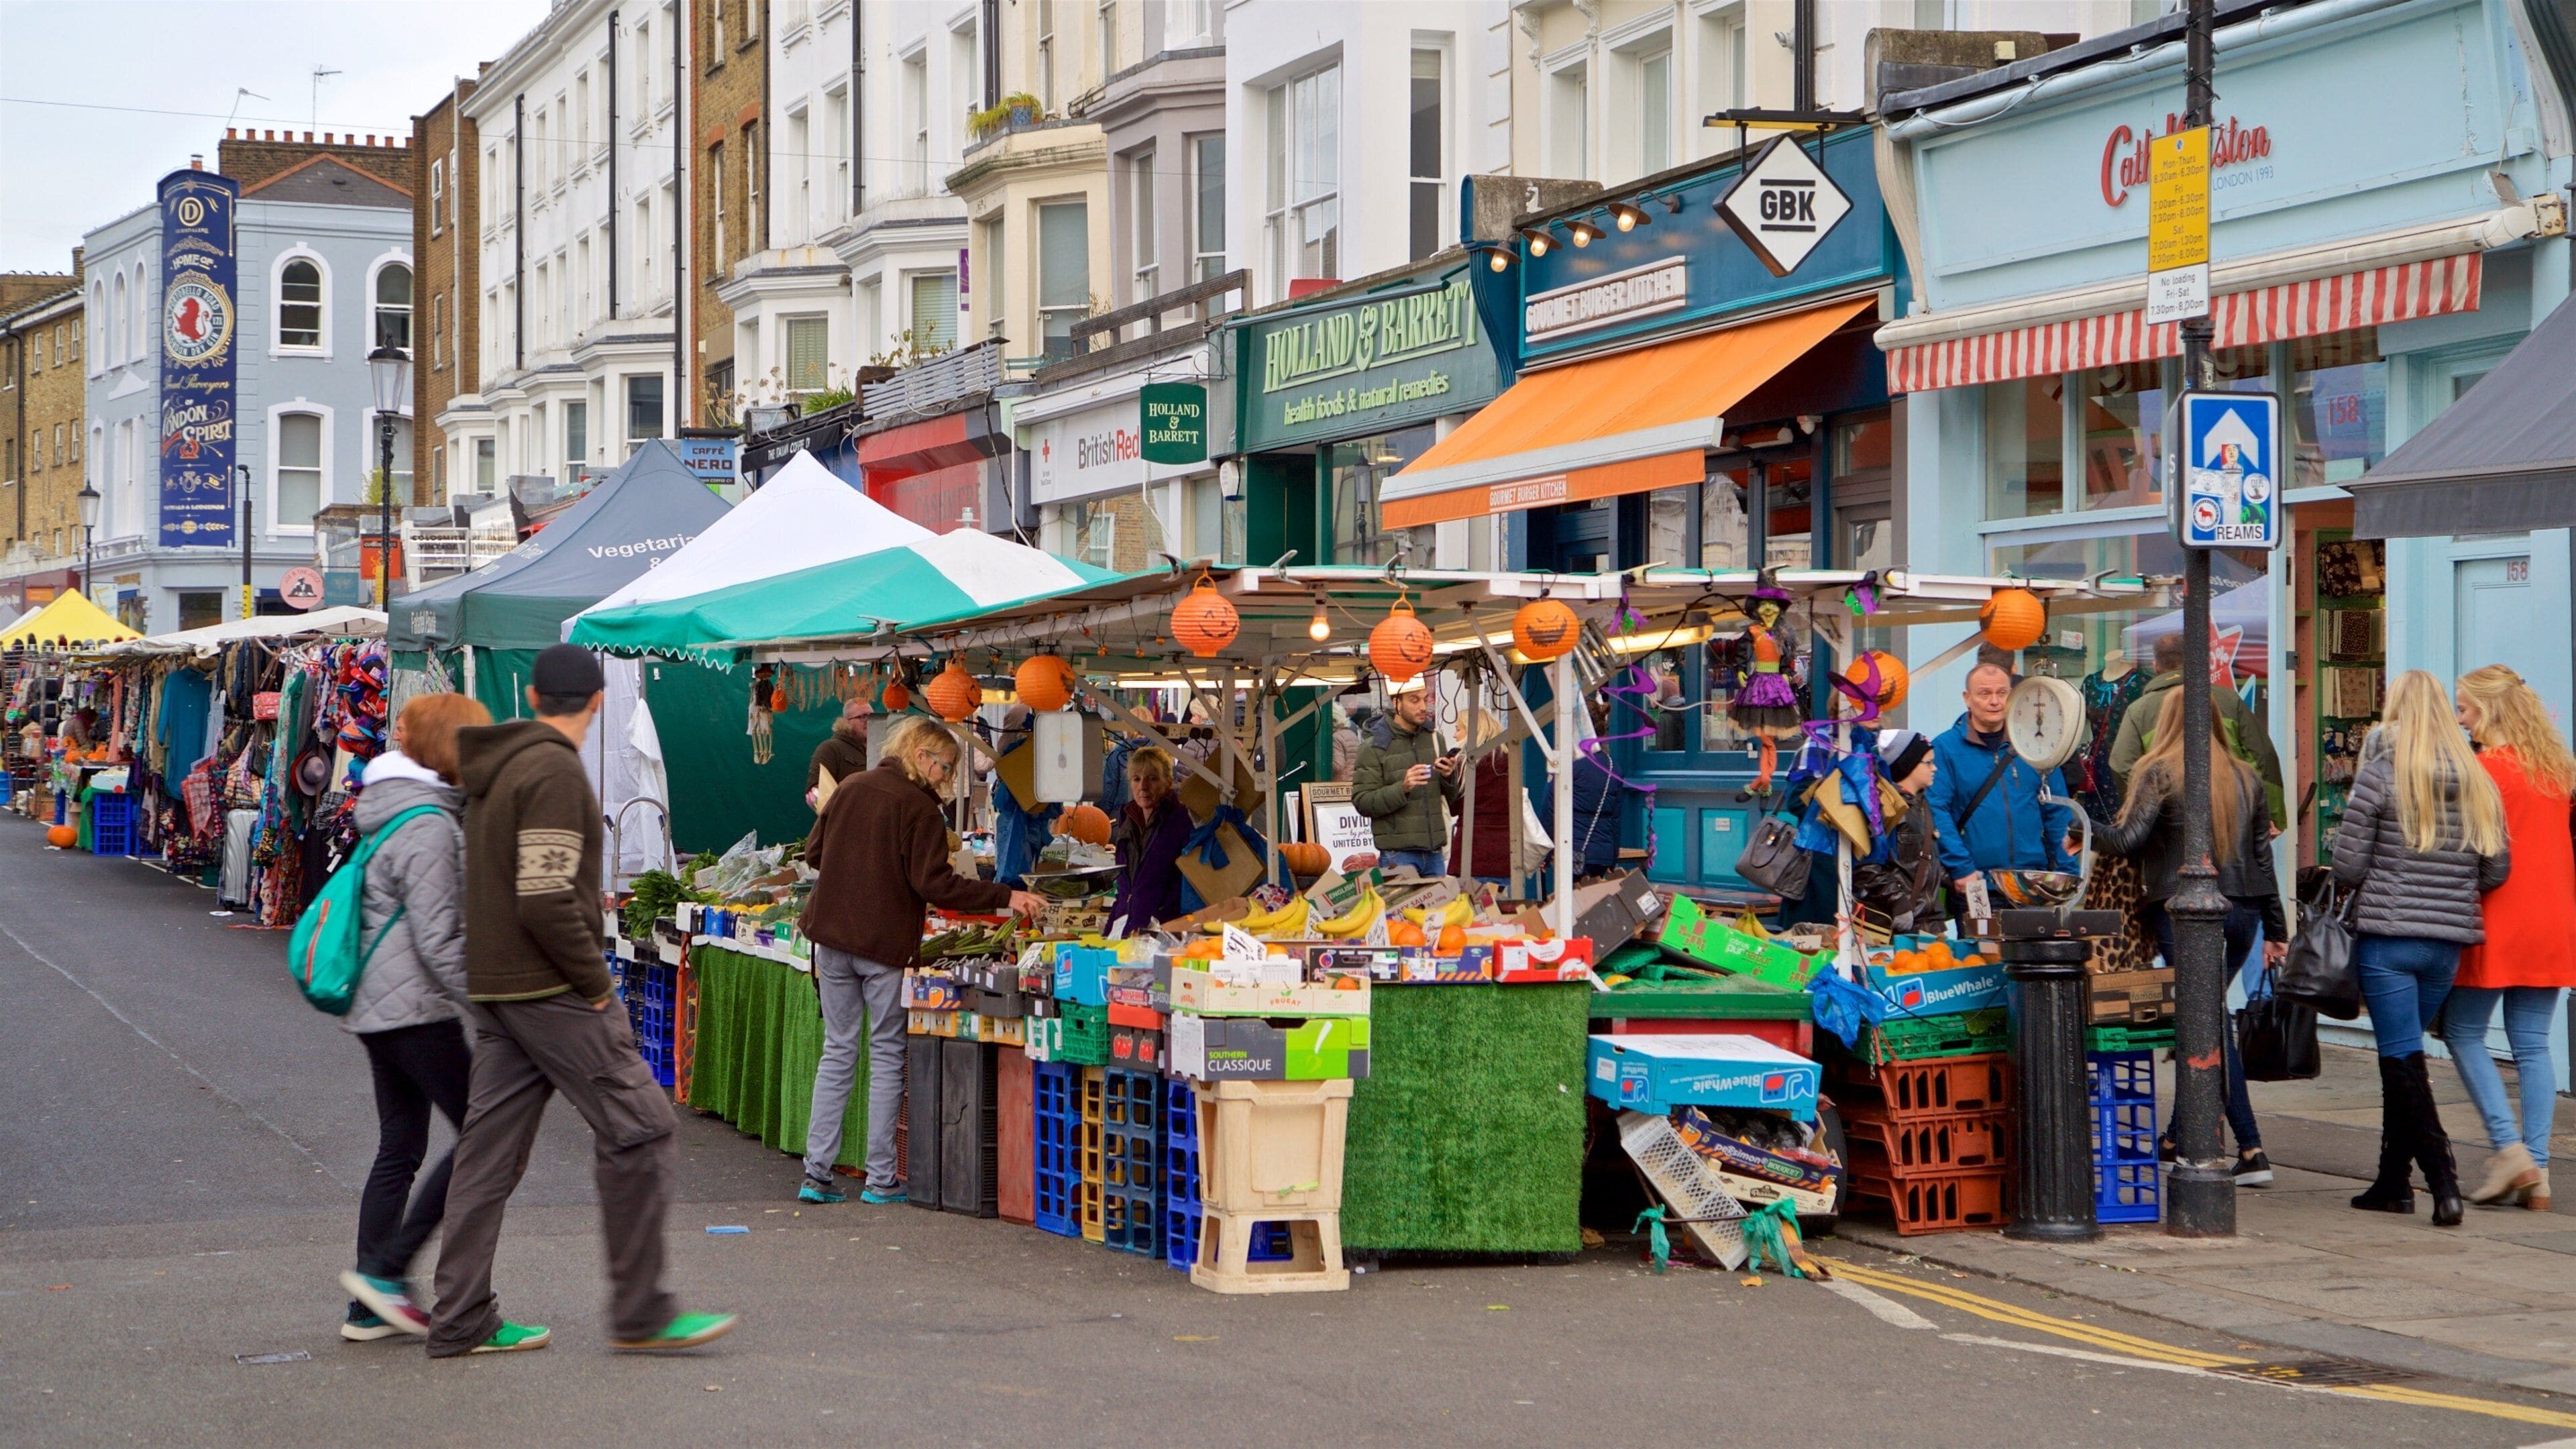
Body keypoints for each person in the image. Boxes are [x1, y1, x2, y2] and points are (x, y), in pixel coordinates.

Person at [427, 645, 737, 1356]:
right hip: (551, 988)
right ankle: (643, 1311)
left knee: (488, 1156)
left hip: (499, 988)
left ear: (534, 698)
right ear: (597, 704)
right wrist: (597, 987)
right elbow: (543, 898)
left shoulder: (496, 770)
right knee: (642, 1126)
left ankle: (461, 1317)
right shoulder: (553, 772)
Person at [796, 714, 1042, 1205]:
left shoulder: (849, 788)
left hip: (831, 939)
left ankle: (816, 1174)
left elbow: (814, 853)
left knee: (838, 1051)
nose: (946, 777)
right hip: (883, 946)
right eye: (944, 766)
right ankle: (881, 1180)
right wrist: (1005, 896)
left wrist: (859, 864)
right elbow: (935, 885)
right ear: (920, 755)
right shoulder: (921, 811)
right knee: (886, 1053)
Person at [2332, 669, 2512, 1227]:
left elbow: (2348, 866)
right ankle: (2392, 1183)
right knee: (2400, 1061)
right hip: (2447, 945)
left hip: (2389, 941)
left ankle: (2444, 1183)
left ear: (2397, 714)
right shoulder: (2479, 780)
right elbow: (2497, 868)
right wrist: (2450, 890)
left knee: (2403, 1062)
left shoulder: (2381, 775)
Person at [335, 692, 487, 1342]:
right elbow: (438, 939)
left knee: (400, 1146)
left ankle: (370, 1302)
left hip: (377, 1006)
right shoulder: (427, 823)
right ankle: (386, 1274)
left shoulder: (392, 811)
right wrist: (493, 1004)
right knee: (485, 1131)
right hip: (415, 1010)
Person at [2090, 688, 2284, 1187]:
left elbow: (2128, 842)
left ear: (2166, 723)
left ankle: (2250, 1147)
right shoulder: (2246, 776)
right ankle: (2178, 1137)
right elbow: (2263, 859)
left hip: (2183, 911)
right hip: (2243, 913)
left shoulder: (2159, 772)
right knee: (2205, 1019)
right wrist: (2277, 929)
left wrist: (2080, 822)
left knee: (2210, 1027)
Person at [2440, 664, 2576, 1212]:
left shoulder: (2485, 771)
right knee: (2533, 1042)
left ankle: (2509, 1147)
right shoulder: (2558, 771)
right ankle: (2538, 1170)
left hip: (2499, 915)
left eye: (2467, 709)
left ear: (2490, 711)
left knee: (2463, 1030)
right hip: (2554, 917)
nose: (2460, 718)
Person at [1927, 663, 2078, 915]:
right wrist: (1961, 868)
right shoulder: (1945, 748)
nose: (1995, 701)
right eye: (1984, 694)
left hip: (2033, 884)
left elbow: (2057, 813)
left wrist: (2067, 873)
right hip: (1977, 883)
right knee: (1980, 954)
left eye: (2002, 693)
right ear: (1967, 698)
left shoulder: (2034, 744)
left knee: (2029, 954)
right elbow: (1937, 813)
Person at [2109, 629, 2286, 826]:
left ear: (2155, 667)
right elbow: (2264, 756)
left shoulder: (2139, 710)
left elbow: (2122, 765)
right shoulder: (2228, 700)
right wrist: (2269, 815)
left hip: (2167, 821)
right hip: (2229, 813)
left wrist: (2145, 811)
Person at [1351, 678, 1461, 878]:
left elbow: (1451, 799)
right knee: (1401, 910)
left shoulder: (1436, 739)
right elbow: (1363, 802)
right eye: (1414, 700)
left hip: (1434, 852)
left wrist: (1448, 777)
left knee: (1440, 910)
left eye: (1425, 699)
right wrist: (1403, 787)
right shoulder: (1374, 746)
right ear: (1396, 704)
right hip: (1398, 855)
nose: (1423, 707)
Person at [1849, 728, 1943, 935]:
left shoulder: (1922, 805)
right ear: (1907, 765)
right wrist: (1898, 903)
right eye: (1928, 763)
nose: (1934, 768)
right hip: (1899, 925)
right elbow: (1866, 867)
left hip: (1929, 923)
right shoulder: (1884, 809)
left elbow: (1925, 862)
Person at [1110, 745, 1193, 930]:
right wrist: (1108, 937)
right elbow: (1123, 892)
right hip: (1129, 932)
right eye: (1136, 779)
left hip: (1165, 931)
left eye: (1153, 779)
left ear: (1169, 782)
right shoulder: (1127, 823)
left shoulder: (1181, 822)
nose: (1143, 787)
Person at [1446, 716, 1519, 884]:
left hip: (1469, 854)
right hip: (1504, 853)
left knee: (1469, 908)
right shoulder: (1511, 760)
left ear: (1473, 732)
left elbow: (1454, 808)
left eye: (1458, 729)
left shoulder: (1463, 763)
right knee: (1502, 908)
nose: (1455, 735)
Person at [805, 695, 871, 813]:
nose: (869, 721)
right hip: (845, 826)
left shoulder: (881, 750)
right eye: (863, 717)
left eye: (873, 717)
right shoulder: (830, 749)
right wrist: (838, 817)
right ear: (847, 722)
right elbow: (814, 795)